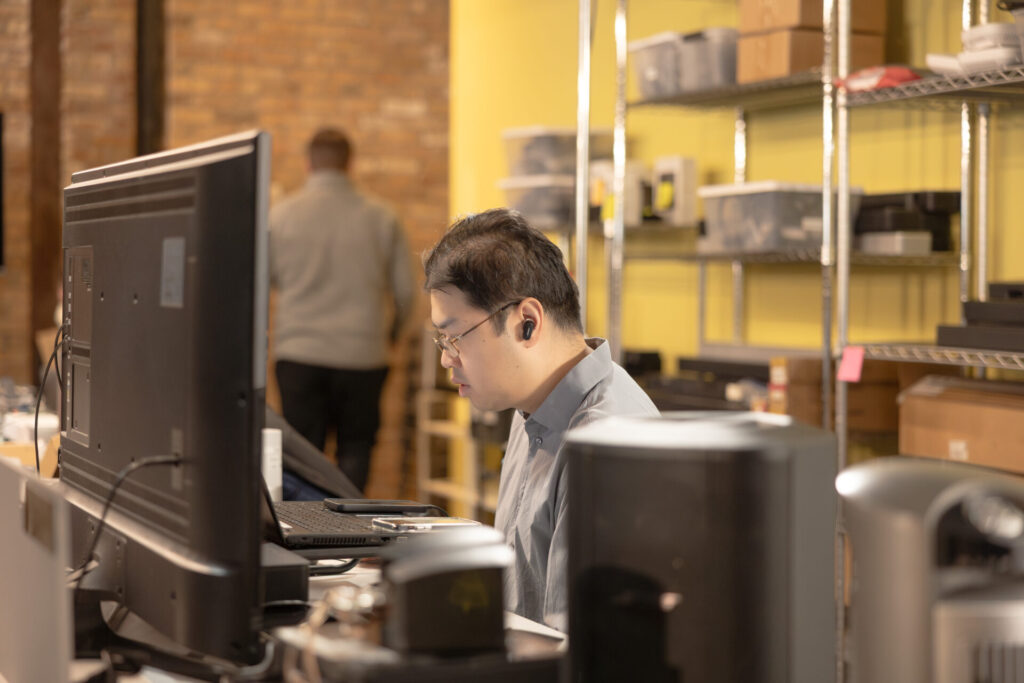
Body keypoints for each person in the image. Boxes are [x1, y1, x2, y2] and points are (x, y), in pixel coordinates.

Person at [423, 208, 659, 631]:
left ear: (526, 324)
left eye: (454, 336)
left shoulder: (608, 446)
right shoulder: (533, 405)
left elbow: (576, 648)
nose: (445, 358)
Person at [269, 127, 415, 494]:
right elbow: (406, 293)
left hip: (299, 354)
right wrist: (389, 337)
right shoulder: (382, 217)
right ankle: (350, 536)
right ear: (350, 164)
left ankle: (305, 538)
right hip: (363, 355)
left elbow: (262, 280)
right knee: (356, 449)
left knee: (302, 456)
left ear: (308, 164)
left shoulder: (280, 216)